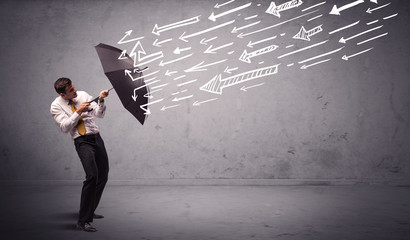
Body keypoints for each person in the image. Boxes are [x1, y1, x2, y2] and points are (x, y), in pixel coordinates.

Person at [50, 77, 110, 232]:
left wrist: (101, 100)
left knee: (103, 175)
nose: (75, 91)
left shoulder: (83, 95)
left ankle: (89, 210)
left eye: (74, 87)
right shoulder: (55, 106)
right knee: (92, 176)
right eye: (71, 90)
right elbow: (64, 127)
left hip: (96, 137)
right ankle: (83, 221)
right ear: (63, 95)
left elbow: (99, 114)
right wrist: (78, 112)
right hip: (82, 141)